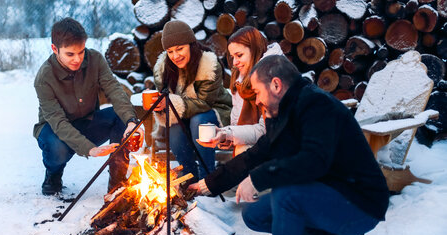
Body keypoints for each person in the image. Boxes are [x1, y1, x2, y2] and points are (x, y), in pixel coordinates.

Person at [189, 55, 389, 235]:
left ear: (276, 84)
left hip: (360, 203)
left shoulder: (317, 105)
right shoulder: (283, 110)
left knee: (285, 193)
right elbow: (257, 154)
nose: (256, 101)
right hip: (330, 193)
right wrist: (209, 184)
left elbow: (314, 161)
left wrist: (258, 179)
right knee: (255, 214)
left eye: (256, 92)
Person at [33, 17, 143, 195]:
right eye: (70, 54)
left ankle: (117, 180)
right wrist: (88, 148)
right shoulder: (44, 77)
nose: (77, 59)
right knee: (57, 149)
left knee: (119, 117)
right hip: (54, 129)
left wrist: (131, 121)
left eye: (81, 52)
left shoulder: (95, 60)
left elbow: (114, 90)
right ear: (55, 49)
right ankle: (53, 174)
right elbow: (58, 122)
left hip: (88, 121)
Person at [152, 20, 232, 180]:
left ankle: (207, 178)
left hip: (213, 113)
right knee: (173, 127)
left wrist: (172, 104)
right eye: (170, 51)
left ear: (191, 44)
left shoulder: (208, 64)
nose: (175, 56)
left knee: (199, 122)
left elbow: (205, 103)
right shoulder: (164, 69)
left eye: (180, 49)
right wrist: (160, 106)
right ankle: (189, 178)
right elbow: (167, 102)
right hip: (184, 117)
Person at [198, 26, 283, 156]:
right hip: (255, 142)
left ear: (255, 50)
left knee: (243, 152)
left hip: (279, 147)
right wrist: (227, 137)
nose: (235, 62)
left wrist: (229, 133)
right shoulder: (240, 80)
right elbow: (237, 120)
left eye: (239, 55)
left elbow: (265, 130)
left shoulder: (273, 77)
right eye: (232, 57)